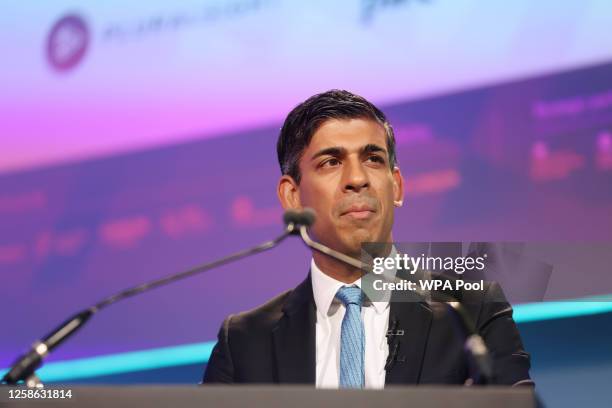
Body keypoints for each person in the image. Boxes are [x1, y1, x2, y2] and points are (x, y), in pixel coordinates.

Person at [202, 89, 533, 387]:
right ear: (291, 195)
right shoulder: (245, 342)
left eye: (373, 159)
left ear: (397, 186)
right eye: (331, 162)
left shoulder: (468, 312)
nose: (357, 179)